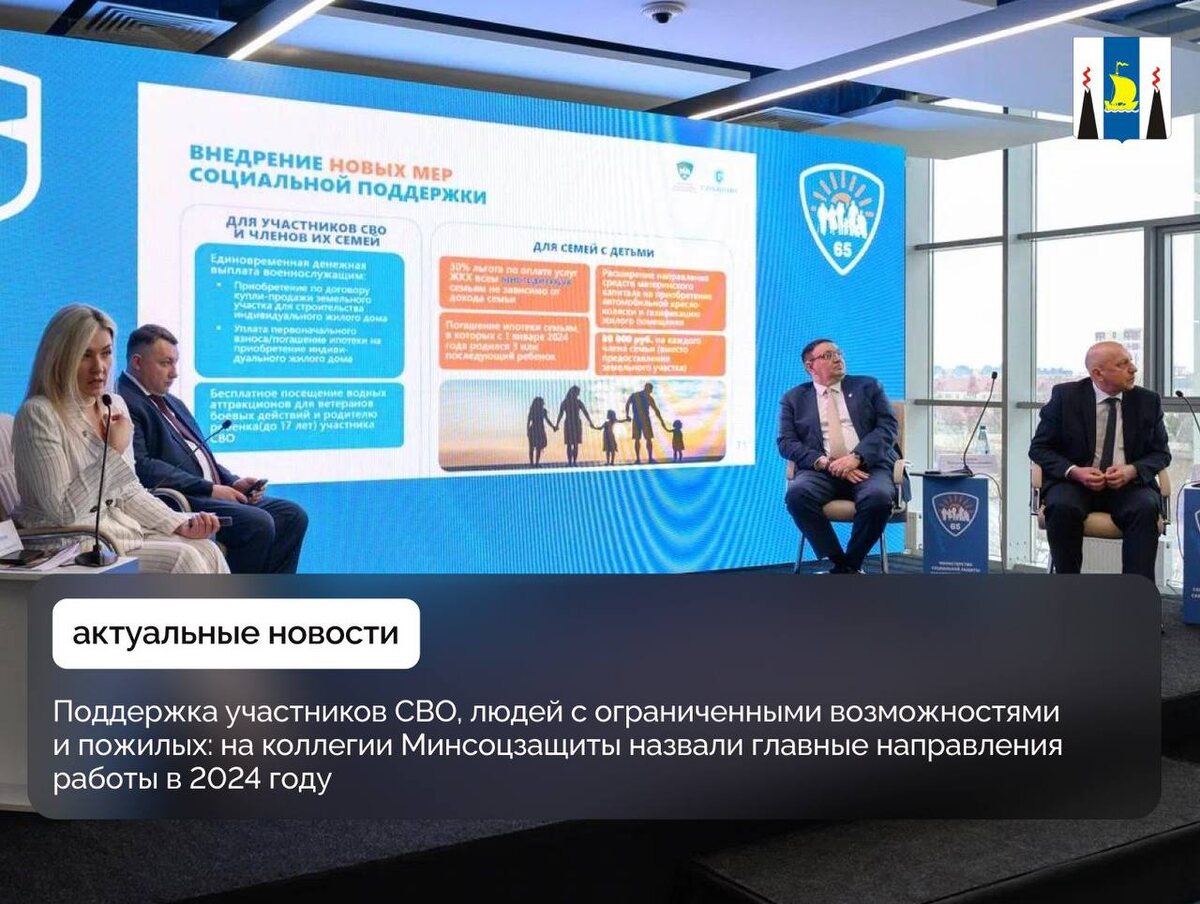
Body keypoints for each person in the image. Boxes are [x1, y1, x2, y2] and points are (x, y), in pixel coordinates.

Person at [12, 305, 227, 573]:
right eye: (85, 355)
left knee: (207, 549)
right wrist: (112, 450)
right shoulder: (39, 414)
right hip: (68, 544)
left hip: (114, 535)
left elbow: (127, 490)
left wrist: (177, 522)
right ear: (60, 358)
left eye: (106, 353)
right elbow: (64, 512)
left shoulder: (114, 404)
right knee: (184, 559)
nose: (99, 367)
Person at [118, 324, 308, 574]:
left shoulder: (172, 402)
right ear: (137, 362)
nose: (174, 373)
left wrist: (233, 482)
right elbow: (143, 467)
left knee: (292, 516)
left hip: (208, 493)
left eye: (175, 363)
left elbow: (199, 455)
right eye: (166, 363)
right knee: (257, 523)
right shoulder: (124, 401)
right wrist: (210, 488)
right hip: (181, 499)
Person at [1029, 341, 1168, 581]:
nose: (1133, 369)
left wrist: (1132, 470)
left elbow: (1161, 453)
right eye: (1122, 364)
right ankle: (1067, 593)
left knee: (1144, 509)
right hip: (1074, 484)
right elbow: (1040, 448)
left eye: (1131, 361)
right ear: (1098, 373)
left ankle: (1136, 596)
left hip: (1129, 486)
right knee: (1062, 507)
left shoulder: (1147, 401)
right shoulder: (1066, 396)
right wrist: (1075, 471)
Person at [778, 338, 900, 574]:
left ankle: (851, 563)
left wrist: (856, 458)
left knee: (878, 498)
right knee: (797, 495)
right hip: (822, 471)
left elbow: (888, 428)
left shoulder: (869, 386)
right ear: (810, 366)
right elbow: (786, 442)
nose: (837, 358)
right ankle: (839, 561)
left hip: (869, 468)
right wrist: (825, 462)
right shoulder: (793, 398)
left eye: (838, 353)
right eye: (828, 355)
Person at [624, 382, 669, 464]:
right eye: (651, 389)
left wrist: (627, 415)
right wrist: (627, 415)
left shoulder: (640, 396)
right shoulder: (642, 396)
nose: (651, 391)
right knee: (642, 439)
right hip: (642, 419)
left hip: (639, 419)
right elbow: (656, 410)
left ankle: (644, 458)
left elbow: (656, 410)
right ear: (648, 389)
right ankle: (643, 459)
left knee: (642, 439)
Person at [554, 385, 595, 466]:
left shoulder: (573, 402)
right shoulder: (569, 402)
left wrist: (590, 422)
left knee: (574, 444)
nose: (578, 394)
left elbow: (585, 412)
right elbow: (560, 414)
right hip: (571, 423)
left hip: (573, 423)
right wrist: (557, 424)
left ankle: (573, 462)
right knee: (571, 444)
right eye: (577, 392)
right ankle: (571, 462)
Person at [526, 396, 556, 466]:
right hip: (536, 430)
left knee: (536, 447)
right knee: (535, 447)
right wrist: (553, 427)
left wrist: (553, 427)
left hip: (537, 430)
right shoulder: (534, 411)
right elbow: (528, 421)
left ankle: (534, 463)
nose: (543, 404)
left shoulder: (540, 411)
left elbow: (547, 420)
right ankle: (534, 463)